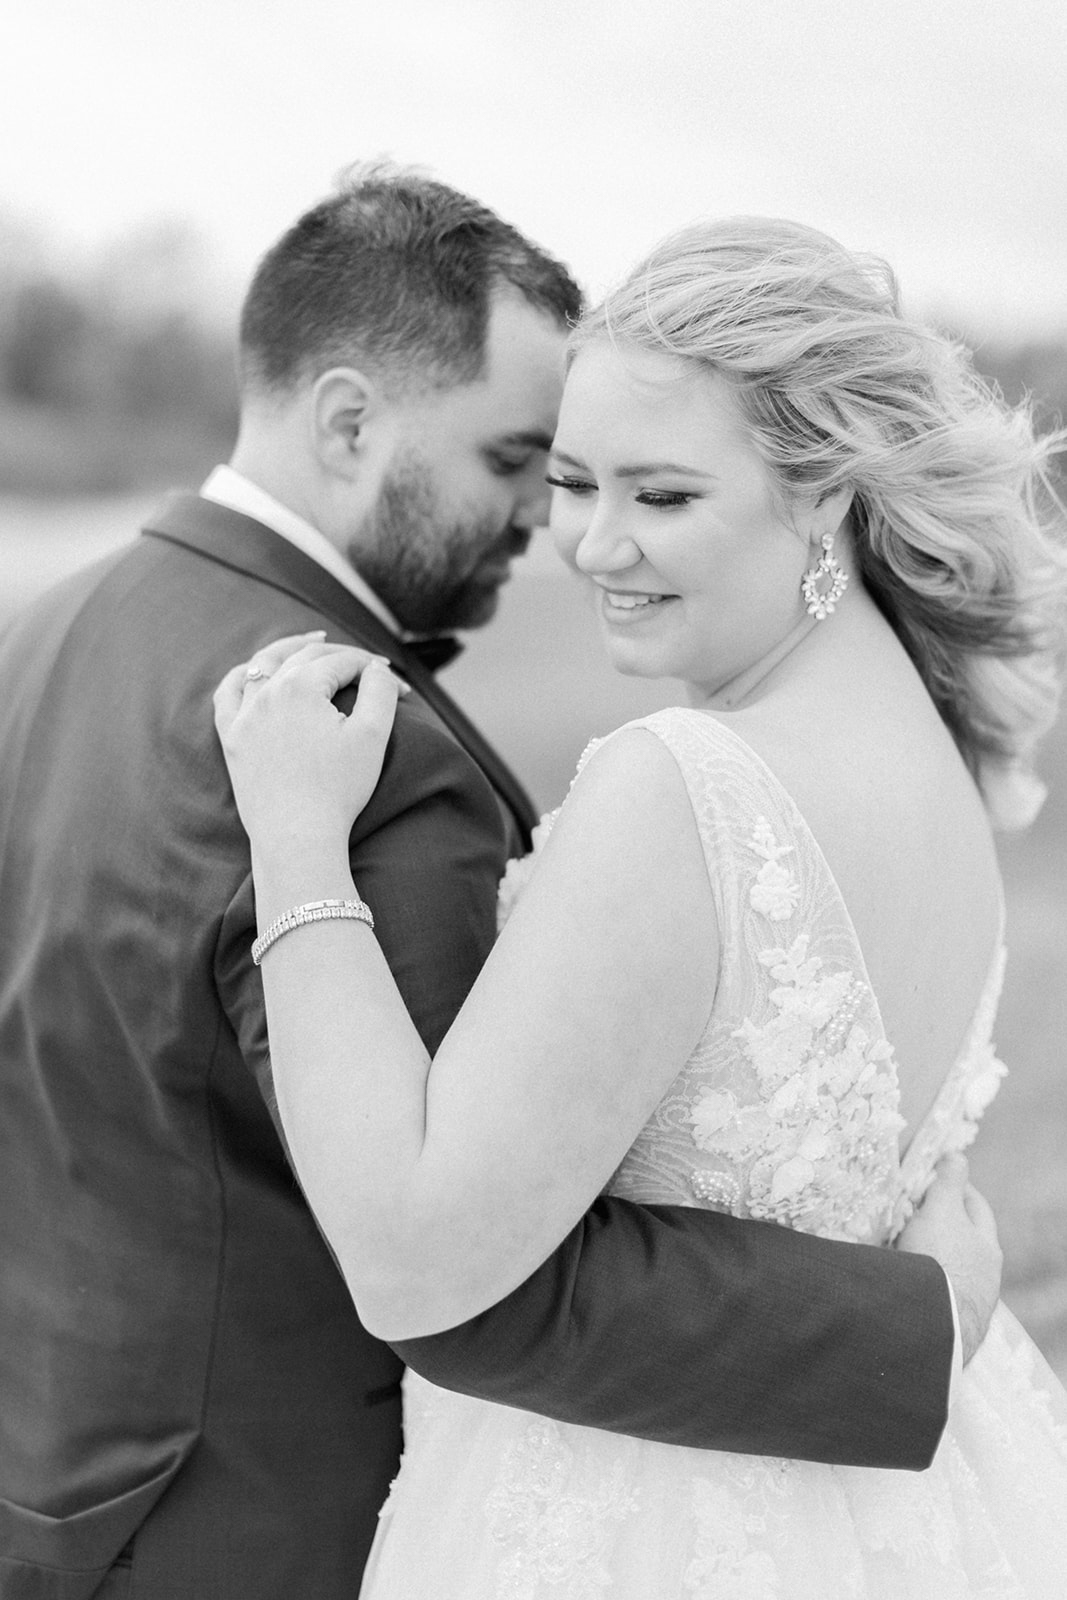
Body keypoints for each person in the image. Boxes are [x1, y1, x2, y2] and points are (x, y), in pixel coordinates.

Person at [0, 164, 989, 1600]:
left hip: (63, 1493)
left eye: (636, 483)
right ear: (350, 421)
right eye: (531, 462)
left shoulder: (45, 634)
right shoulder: (356, 738)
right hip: (268, 1533)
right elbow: (459, 1269)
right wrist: (917, 1329)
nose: (554, 526)